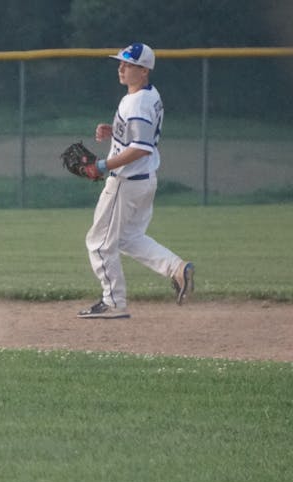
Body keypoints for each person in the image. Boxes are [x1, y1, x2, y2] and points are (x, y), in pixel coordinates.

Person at [75, 43, 194, 319]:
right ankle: (177, 269)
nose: (121, 68)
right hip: (144, 181)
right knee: (128, 238)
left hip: (125, 183)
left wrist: (102, 164)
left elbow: (141, 147)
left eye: (127, 64)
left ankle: (114, 302)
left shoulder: (136, 101)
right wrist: (114, 132)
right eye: (120, 63)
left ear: (143, 70)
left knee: (99, 243)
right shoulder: (148, 95)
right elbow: (138, 135)